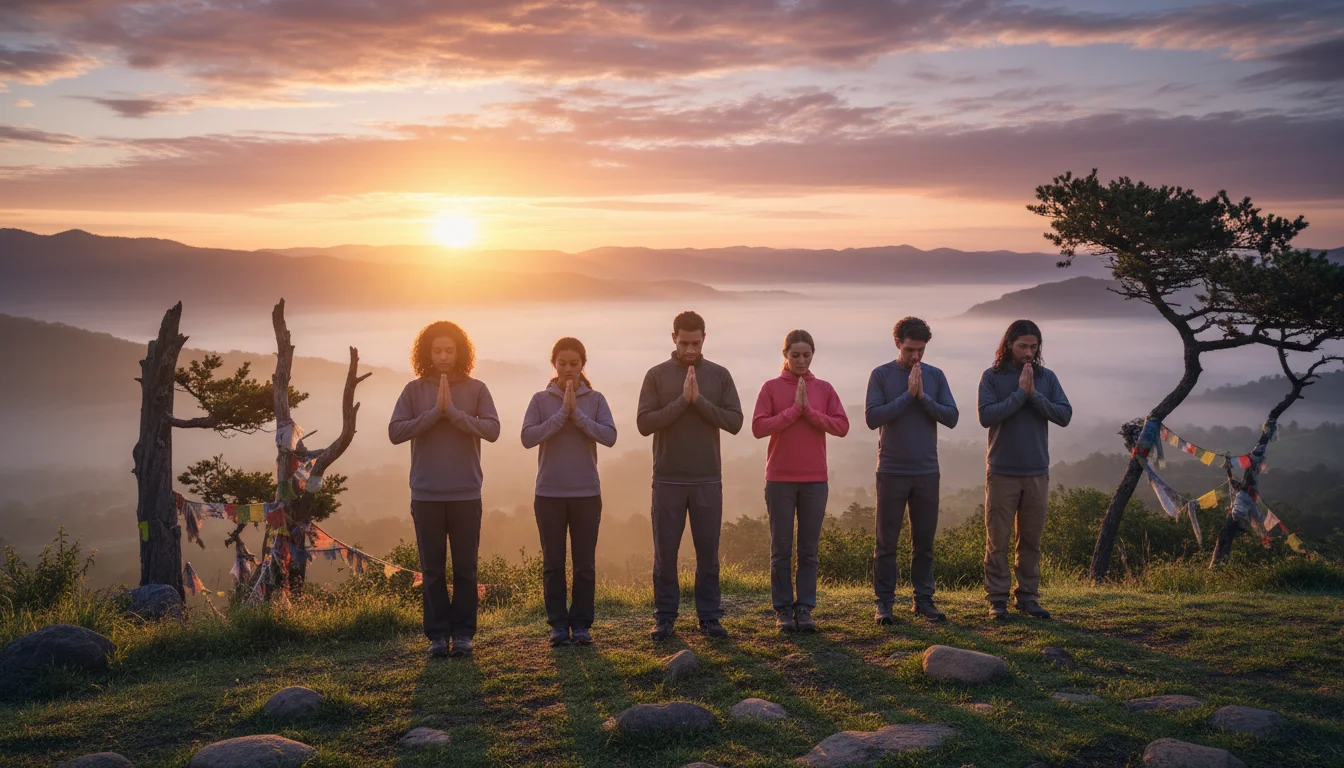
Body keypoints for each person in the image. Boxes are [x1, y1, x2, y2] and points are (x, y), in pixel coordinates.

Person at [389, 321, 500, 658]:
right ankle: (438, 636)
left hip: (466, 493)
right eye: (437, 350)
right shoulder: (413, 390)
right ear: (426, 353)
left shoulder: (477, 389)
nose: (443, 356)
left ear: (460, 352)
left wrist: (452, 413)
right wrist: (433, 414)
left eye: (449, 350)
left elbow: (492, 430)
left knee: (465, 569)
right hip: (426, 494)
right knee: (432, 570)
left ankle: (463, 634)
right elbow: (396, 432)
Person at [637, 310, 743, 640]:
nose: (690, 350)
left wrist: (700, 402)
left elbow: (735, 422)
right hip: (667, 478)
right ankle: (664, 617)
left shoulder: (720, 375)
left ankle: (709, 617)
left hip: (707, 479)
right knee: (665, 554)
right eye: (684, 343)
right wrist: (683, 401)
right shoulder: (656, 375)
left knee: (708, 554)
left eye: (696, 343)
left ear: (704, 339)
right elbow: (644, 423)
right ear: (673, 339)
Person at [521, 337, 617, 647]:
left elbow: (609, 436)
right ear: (554, 364)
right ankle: (558, 625)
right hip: (548, 494)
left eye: (574, 364)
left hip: (586, 493)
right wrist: (562, 413)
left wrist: (578, 415)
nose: (568, 369)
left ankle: (582, 624)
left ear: (582, 365)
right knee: (553, 564)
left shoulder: (596, 399)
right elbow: (527, 437)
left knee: (584, 564)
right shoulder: (540, 399)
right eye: (562, 363)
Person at [752, 329, 849, 633]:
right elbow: (758, 428)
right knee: (781, 548)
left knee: (808, 550)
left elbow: (842, 426)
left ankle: (805, 608)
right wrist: (795, 411)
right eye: (795, 355)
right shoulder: (770, 388)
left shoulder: (824, 388)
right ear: (785, 355)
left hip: (815, 480)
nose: (801, 361)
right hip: (779, 479)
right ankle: (782, 609)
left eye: (807, 355)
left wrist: (810, 412)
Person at [864, 317, 959, 625]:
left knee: (924, 542)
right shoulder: (881, 374)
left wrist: (922, 397)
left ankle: (924, 600)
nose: (916, 356)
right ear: (897, 344)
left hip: (927, 470)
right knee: (886, 542)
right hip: (891, 470)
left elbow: (952, 417)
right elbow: (872, 418)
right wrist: (908, 396)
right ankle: (884, 603)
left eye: (921, 350)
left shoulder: (936, 376)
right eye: (909, 350)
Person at [977, 319, 1072, 621]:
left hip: (1036, 471)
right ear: (1009, 345)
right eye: (1022, 346)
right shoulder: (992, 376)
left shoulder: (1046, 377)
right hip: (1001, 471)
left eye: (1033, 346)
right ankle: (997, 599)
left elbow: (1064, 415)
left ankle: (1028, 597)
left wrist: (1034, 395)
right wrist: (1020, 394)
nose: (1028, 352)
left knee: (1031, 540)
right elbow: (986, 416)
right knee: (998, 540)